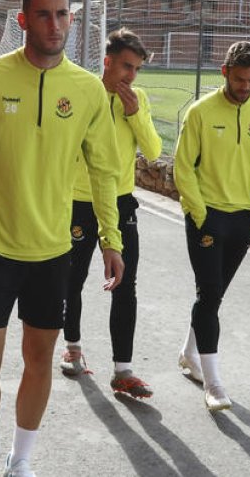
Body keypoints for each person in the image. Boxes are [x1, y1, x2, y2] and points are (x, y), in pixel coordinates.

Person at [0, 0, 125, 477]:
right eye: (43, 14)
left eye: (62, 14)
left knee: (40, 363)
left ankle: (22, 462)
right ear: (23, 20)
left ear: (72, 21)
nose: (54, 24)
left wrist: (111, 237)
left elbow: (104, 171)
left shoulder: (85, 90)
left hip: (53, 252)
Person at [174, 41, 250, 412]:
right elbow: (182, 167)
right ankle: (213, 384)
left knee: (212, 298)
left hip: (243, 221)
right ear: (224, 73)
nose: (246, 87)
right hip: (207, 218)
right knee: (210, 291)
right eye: (239, 80)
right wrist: (200, 214)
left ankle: (188, 353)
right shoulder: (200, 112)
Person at [59, 29, 162, 400]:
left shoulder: (138, 100)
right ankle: (72, 348)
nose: (130, 76)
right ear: (107, 61)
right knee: (73, 279)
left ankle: (123, 371)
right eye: (125, 66)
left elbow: (152, 151)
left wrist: (136, 114)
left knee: (126, 284)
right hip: (79, 201)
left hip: (120, 202)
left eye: (136, 69)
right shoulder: (86, 93)